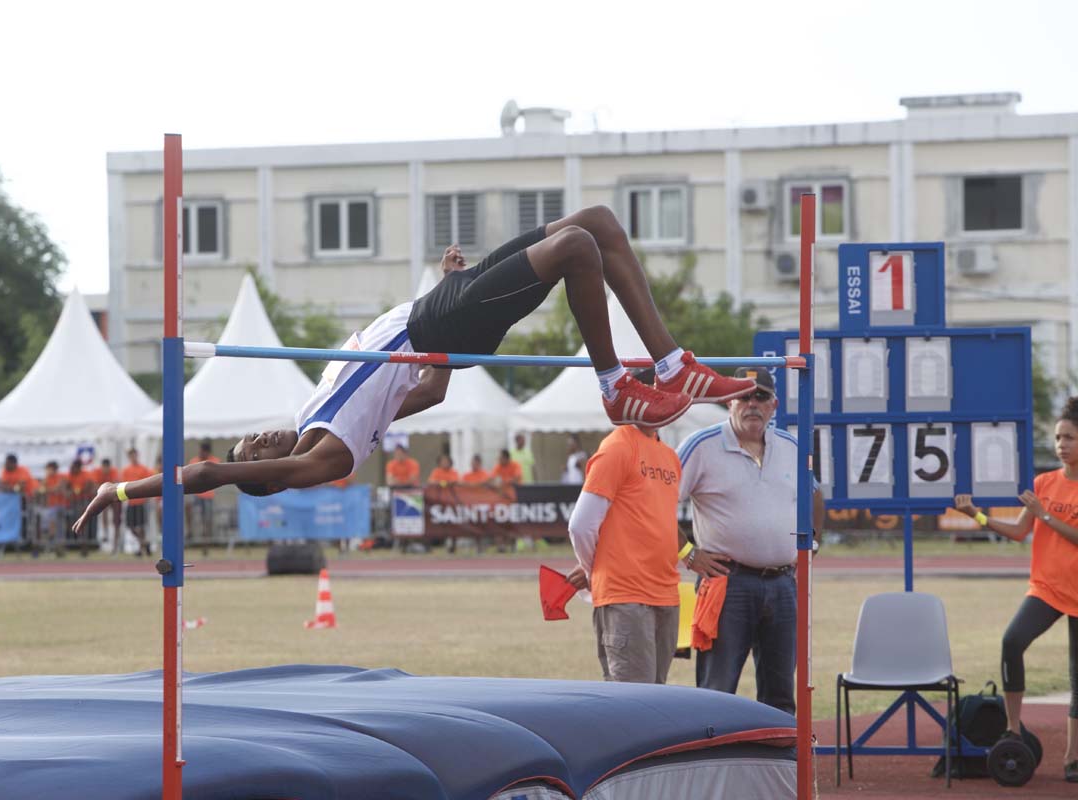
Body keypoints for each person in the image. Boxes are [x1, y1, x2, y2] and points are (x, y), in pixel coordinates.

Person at [73, 206, 754, 528]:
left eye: (248, 438)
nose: (252, 440)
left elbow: (427, 388)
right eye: (250, 450)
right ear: (269, 474)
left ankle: (670, 365)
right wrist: (125, 491)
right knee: (577, 245)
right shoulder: (326, 458)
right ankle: (615, 385)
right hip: (442, 320)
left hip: (443, 317)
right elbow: (212, 472)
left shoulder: (325, 410)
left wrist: (451, 288)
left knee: (599, 226)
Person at [676, 367, 824, 714]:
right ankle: (713, 764)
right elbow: (656, 501)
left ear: (773, 405)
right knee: (717, 689)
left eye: (760, 397)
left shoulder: (791, 446)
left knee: (781, 693)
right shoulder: (701, 446)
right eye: (744, 395)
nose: (752, 404)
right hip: (727, 582)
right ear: (728, 401)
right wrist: (687, 552)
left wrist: (812, 545)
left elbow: (815, 496)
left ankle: (778, 766)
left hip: (783, 583)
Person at [954, 396, 1078, 783]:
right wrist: (975, 514)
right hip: (1045, 587)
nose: (1062, 445)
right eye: (1058, 438)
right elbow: (1020, 531)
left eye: (1070, 438)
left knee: (1077, 679)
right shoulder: (1044, 483)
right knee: (1012, 641)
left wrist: (1045, 515)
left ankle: (1072, 758)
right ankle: (1013, 728)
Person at [565, 404, 684, 684]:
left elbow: (658, 521)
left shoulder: (668, 455)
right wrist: (594, 568)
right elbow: (580, 525)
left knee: (654, 698)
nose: (673, 403)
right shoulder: (618, 447)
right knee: (633, 704)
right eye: (661, 396)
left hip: (665, 593)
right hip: (626, 596)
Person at [119, 449, 153, 556]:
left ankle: (141, 546)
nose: (133, 458)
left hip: (141, 501)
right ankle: (144, 543)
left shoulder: (143, 469)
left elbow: (148, 482)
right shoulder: (126, 470)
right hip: (131, 502)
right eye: (131, 456)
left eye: (134, 455)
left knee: (141, 525)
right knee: (131, 526)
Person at [186, 440, 220, 542]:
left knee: (207, 516)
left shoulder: (215, 461)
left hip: (208, 496)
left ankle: (206, 537)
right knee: (188, 506)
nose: (200, 453)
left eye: (202, 451)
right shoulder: (193, 461)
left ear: (207, 452)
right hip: (196, 494)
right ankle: (190, 531)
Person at [89, 458, 121, 553]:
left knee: (116, 521)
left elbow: (116, 483)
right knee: (104, 511)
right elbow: (95, 485)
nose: (105, 470)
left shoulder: (114, 471)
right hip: (105, 496)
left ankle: (115, 544)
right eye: (104, 468)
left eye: (107, 468)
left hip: (115, 497)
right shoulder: (97, 472)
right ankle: (105, 532)